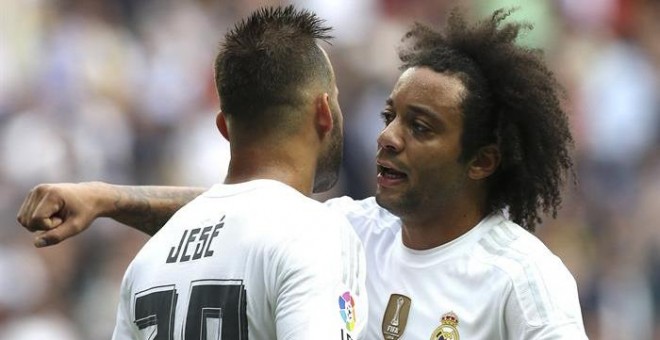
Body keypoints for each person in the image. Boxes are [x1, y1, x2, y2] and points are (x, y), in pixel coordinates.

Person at [18, 8, 587, 339]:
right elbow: (245, 213)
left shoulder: (523, 277)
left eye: (421, 125)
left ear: (482, 160)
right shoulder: (352, 229)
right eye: (390, 116)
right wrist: (107, 199)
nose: (387, 136)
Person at [34, 5, 368, 339]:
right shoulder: (314, 230)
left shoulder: (150, 256)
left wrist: (108, 198)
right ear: (324, 111)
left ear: (224, 128)